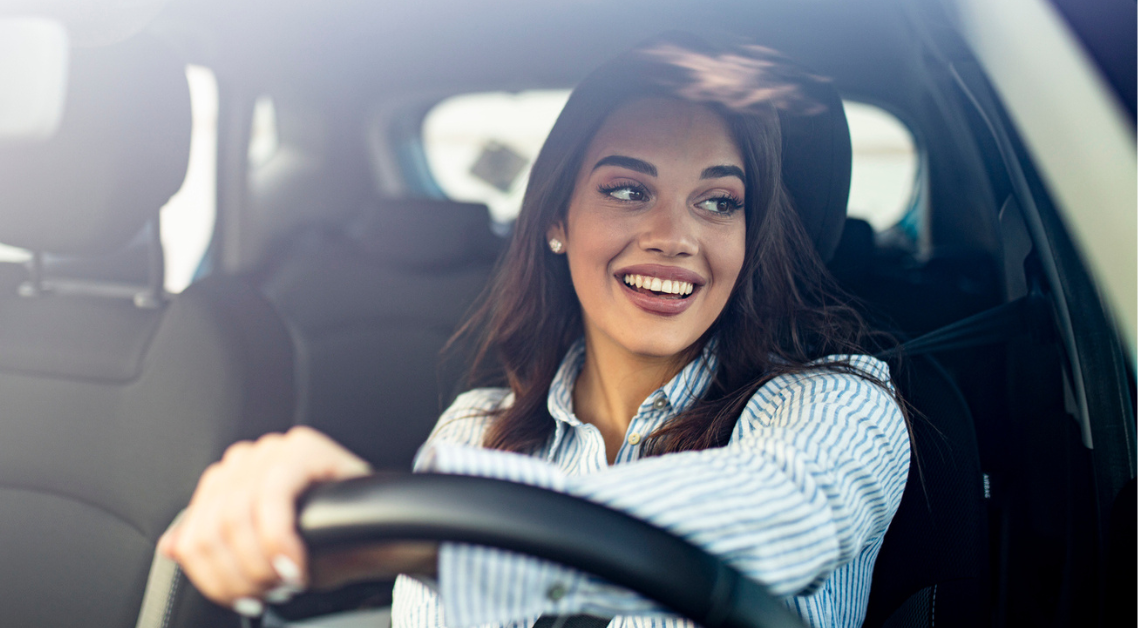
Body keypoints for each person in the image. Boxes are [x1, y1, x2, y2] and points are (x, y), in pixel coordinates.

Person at [158, 34, 910, 628]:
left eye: (718, 203)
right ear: (557, 218)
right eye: (627, 189)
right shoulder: (476, 433)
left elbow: (789, 512)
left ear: (750, 240)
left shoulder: (840, 405)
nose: (674, 237)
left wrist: (432, 534)